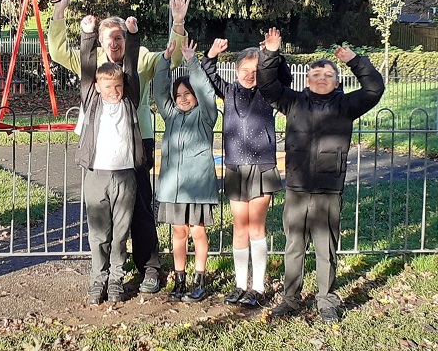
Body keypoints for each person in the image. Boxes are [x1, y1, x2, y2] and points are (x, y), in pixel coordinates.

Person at [48, 0, 189, 293]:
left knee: (138, 207)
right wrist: (61, 7)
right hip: (99, 149)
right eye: (108, 38)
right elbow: (58, 51)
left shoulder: (142, 59)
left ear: (127, 39)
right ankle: (109, 274)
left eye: (119, 37)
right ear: (99, 42)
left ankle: (149, 266)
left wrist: (177, 22)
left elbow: (174, 58)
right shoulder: (92, 62)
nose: (114, 43)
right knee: (103, 215)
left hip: (136, 144)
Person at [257, 28, 385, 323]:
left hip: (329, 189)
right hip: (297, 188)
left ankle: (326, 300)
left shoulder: (346, 106)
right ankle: (290, 299)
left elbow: (374, 89)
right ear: (308, 80)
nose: (322, 79)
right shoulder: (293, 102)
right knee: (294, 246)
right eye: (316, 75)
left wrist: (356, 60)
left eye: (328, 75)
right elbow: (267, 85)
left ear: (337, 81)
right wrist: (270, 55)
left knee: (326, 248)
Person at [201, 38, 290, 308]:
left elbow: (284, 78)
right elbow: (209, 73)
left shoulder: (269, 93)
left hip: (262, 166)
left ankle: (258, 287)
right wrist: (211, 55)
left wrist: (272, 54)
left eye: (256, 72)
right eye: (245, 71)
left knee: (256, 227)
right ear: (237, 71)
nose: (251, 76)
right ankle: (241, 284)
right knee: (239, 227)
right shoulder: (228, 92)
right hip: (235, 168)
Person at [76, 14, 144, 304]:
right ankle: (97, 280)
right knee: (98, 234)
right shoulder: (91, 97)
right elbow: (88, 68)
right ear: (98, 88)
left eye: (117, 87)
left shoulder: (129, 98)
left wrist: (132, 35)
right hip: (97, 174)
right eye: (108, 88)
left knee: (120, 233)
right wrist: (89, 35)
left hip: (125, 174)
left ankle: (116, 278)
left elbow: (130, 68)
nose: (113, 92)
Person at [153, 37, 219, 303]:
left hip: (198, 187)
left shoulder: (205, 117)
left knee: (197, 231)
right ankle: (179, 280)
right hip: (173, 187)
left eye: (187, 95)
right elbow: (159, 91)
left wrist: (192, 63)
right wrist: (165, 61)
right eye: (178, 95)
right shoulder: (170, 116)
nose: (182, 99)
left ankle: (199, 280)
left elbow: (206, 91)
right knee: (178, 232)